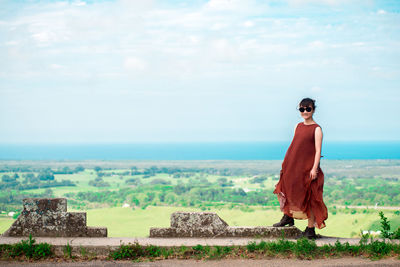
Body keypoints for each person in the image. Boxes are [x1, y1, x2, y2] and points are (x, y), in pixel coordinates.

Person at [272, 98, 328, 239]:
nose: (305, 112)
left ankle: (310, 230)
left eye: (308, 109)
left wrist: (314, 169)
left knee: (311, 197)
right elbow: (295, 146)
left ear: (313, 110)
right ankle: (288, 217)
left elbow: (317, 151)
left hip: (308, 169)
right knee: (286, 189)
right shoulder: (298, 126)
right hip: (293, 165)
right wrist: (286, 164)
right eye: (302, 109)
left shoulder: (317, 129)